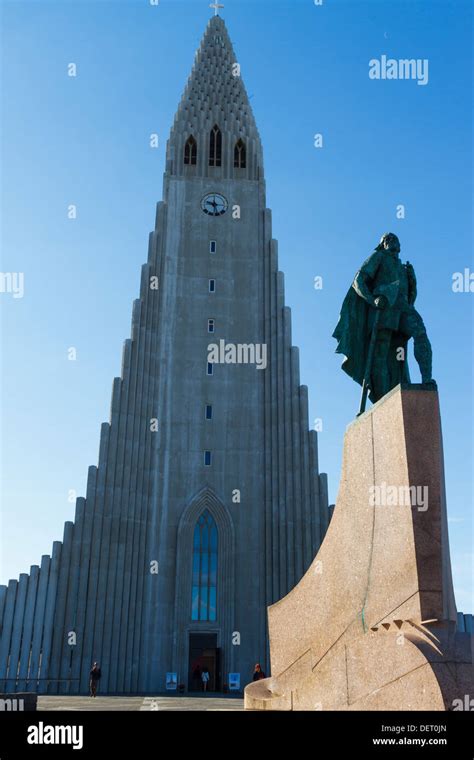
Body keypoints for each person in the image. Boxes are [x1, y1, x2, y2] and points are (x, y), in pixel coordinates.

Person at [333, 232, 435, 404]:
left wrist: (413, 282)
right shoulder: (379, 256)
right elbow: (359, 280)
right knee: (381, 352)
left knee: (420, 334)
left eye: (394, 239)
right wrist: (372, 300)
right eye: (387, 239)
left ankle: (427, 380)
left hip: (403, 309)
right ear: (382, 244)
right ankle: (384, 399)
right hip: (384, 308)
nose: (392, 241)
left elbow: (411, 298)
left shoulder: (404, 268)